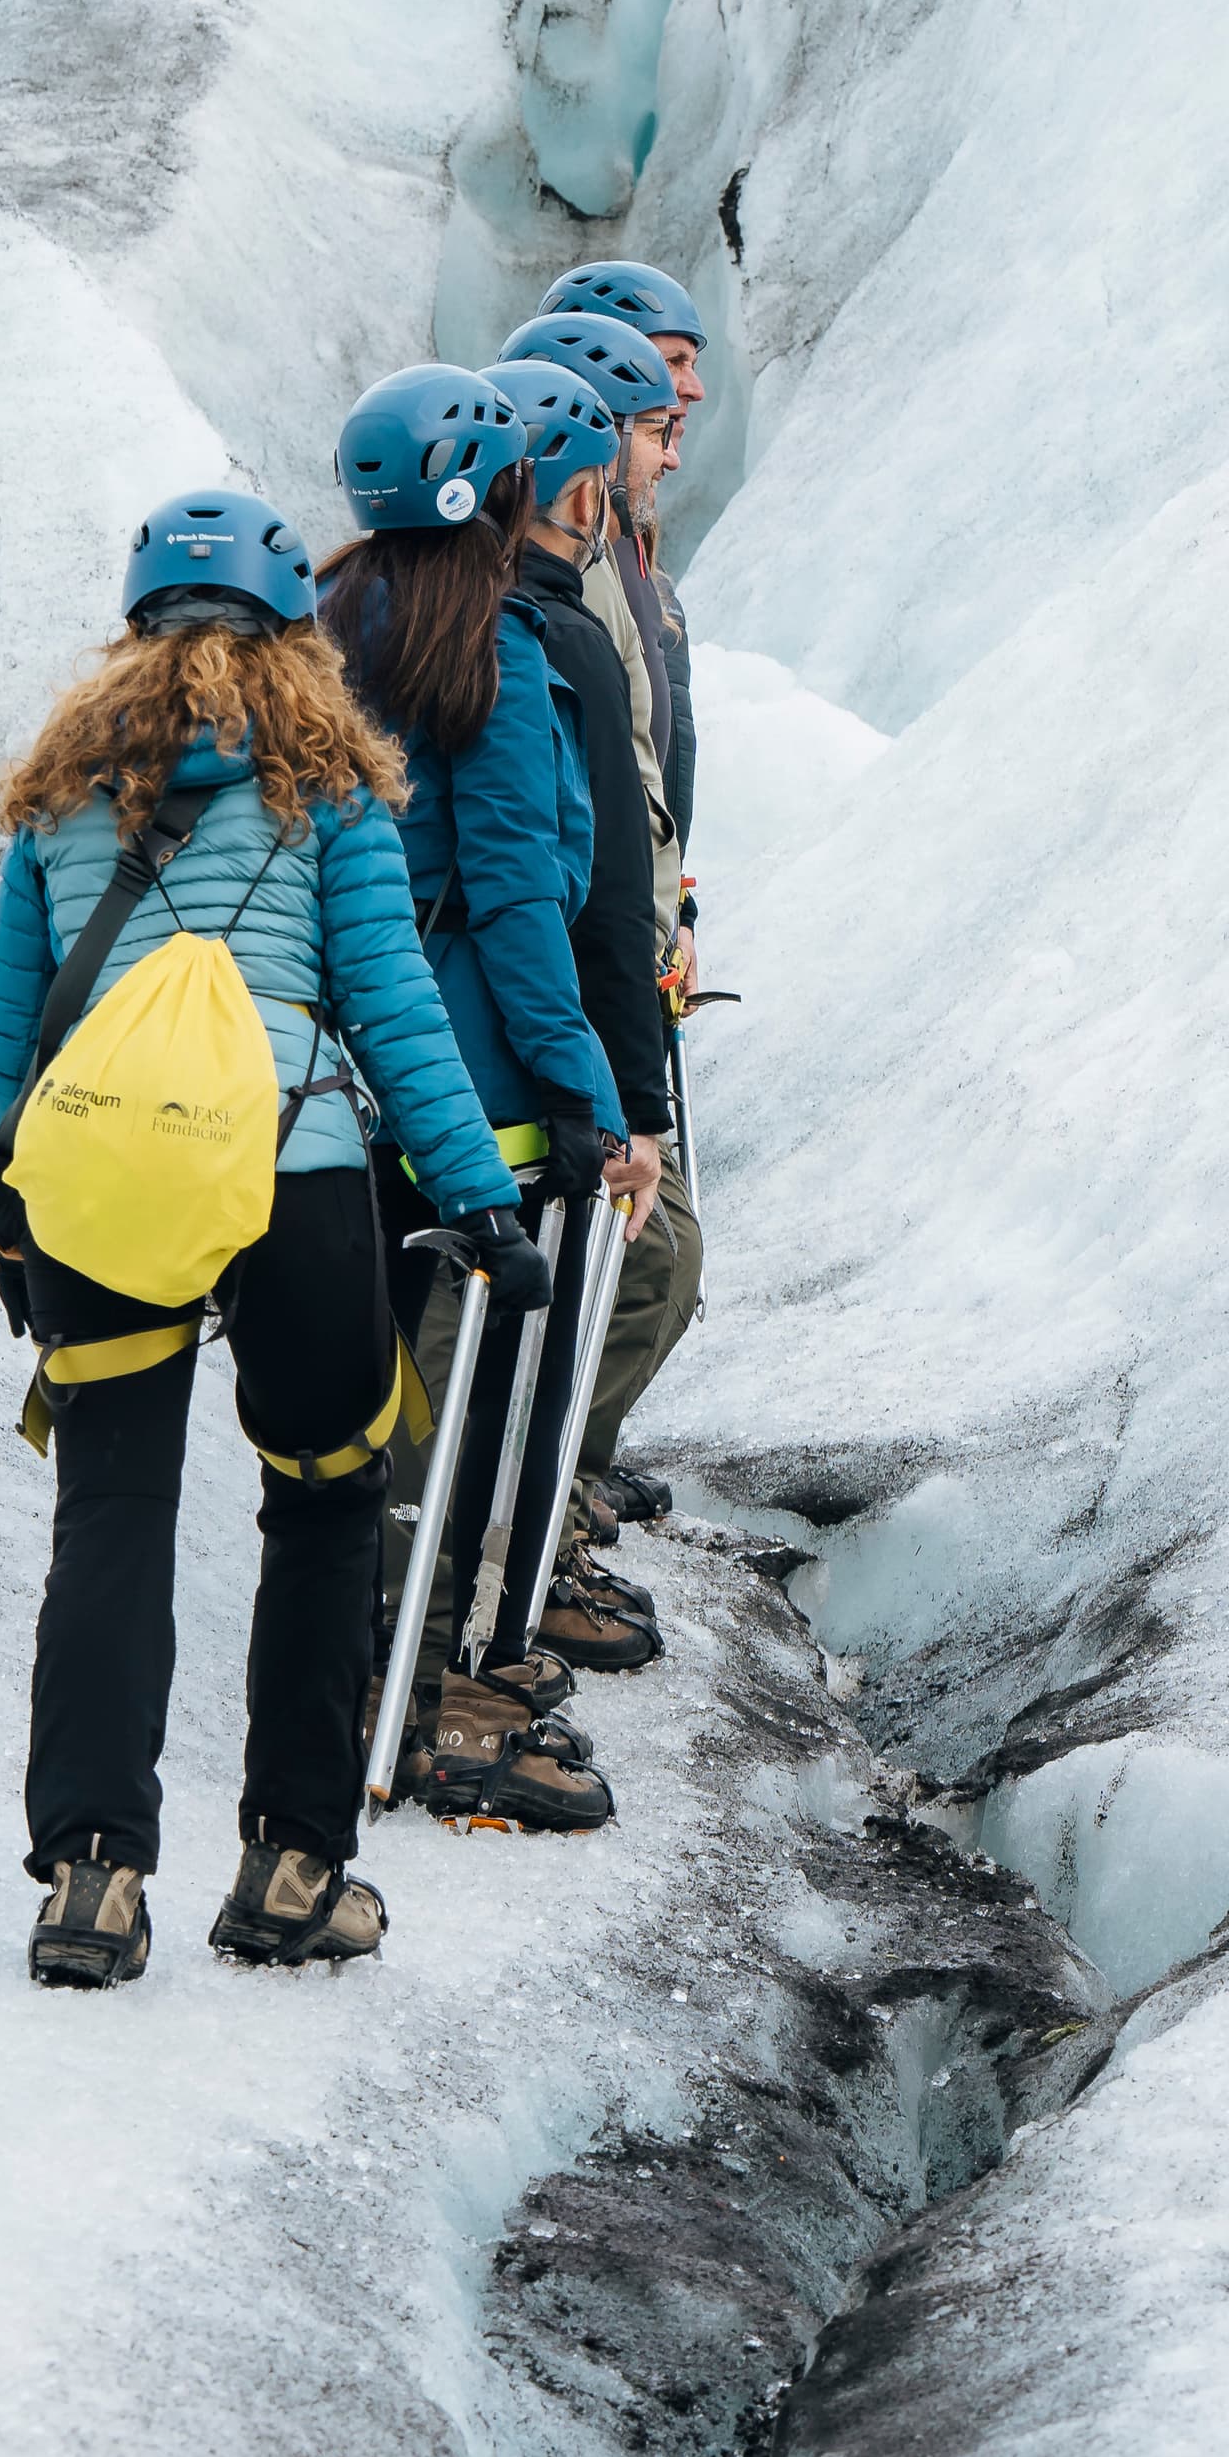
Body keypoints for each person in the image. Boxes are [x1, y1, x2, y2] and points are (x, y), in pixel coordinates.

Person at [0, 485, 545, 1990]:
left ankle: (92, 1879)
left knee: (111, 1514)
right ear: (296, 624)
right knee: (321, 1500)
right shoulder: (326, 779)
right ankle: (294, 1864)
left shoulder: (58, 786)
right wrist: (477, 1193)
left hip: (100, 1183)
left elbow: (10, 1033)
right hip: (292, 1172)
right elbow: (392, 1002)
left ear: (133, 620)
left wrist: (15, 1207)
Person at [319, 367, 654, 1830]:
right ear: (501, 494)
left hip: (358, 1072)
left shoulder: (331, 632)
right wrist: (595, 1100)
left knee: (380, 1374)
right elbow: (524, 899)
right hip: (491, 1080)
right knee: (489, 1391)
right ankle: (456, 1689)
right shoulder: (501, 658)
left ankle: (363, 1665)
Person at [482, 349, 686, 1677]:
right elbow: (562, 884)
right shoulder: (546, 641)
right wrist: (620, 1095)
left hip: (405, 1070)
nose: (662, 456)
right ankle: (483, 1625)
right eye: (651, 430)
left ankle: (509, 1562)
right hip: (520, 1064)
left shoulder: (365, 609)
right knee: (524, 1333)